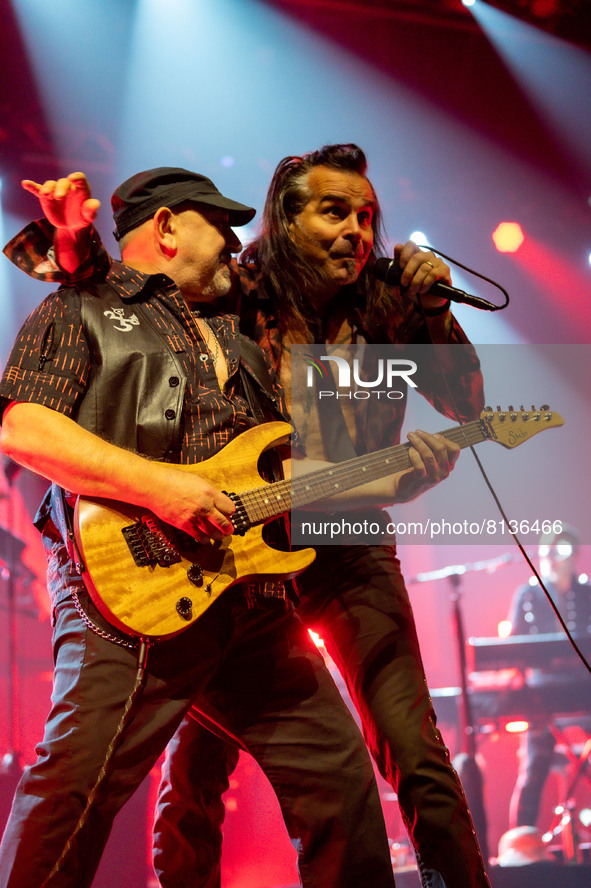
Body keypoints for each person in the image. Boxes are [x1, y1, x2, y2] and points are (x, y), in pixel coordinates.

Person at [4, 144, 491, 888]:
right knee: (128, 779)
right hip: (167, 574)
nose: (237, 241)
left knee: (364, 771)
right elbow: (47, 385)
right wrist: (71, 245)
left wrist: (384, 471)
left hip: (289, 568)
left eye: (367, 217)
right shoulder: (161, 295)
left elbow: (451, 410)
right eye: (334, 212)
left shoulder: (296, 319)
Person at [507, 525, 591, 829]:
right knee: (532, 770)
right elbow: (513, 648)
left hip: (584, 690)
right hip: (541, 692)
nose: (552, 558)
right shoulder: (528, 594)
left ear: (575, 554)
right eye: (547, 550)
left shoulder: (587, 593)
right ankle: (521, 847)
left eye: (561, 550)